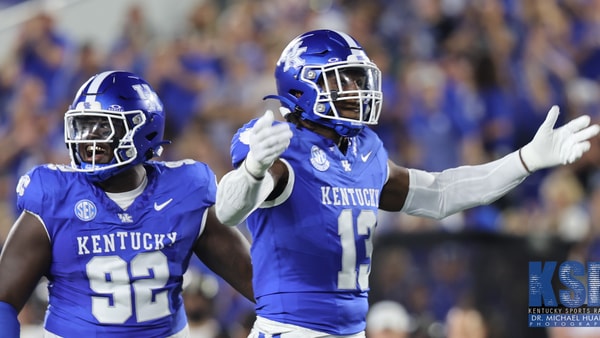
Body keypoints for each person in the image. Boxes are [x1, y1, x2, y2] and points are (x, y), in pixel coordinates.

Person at [214, 29, 600, 337]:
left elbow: (442, 193)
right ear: (303, 85)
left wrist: (525, 160)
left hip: (350, 330)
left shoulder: (365, 150)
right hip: (290, 330)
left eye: (357, 78)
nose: (356, 89)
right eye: (342, 80)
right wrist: (253, 170)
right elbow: (229, 210)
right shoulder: (280, 145)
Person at [0, 70, 254, 337]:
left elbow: (256, 280)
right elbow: (4, 298)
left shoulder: (184, 192)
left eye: (102, 127)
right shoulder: (55, 196)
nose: (88, 138)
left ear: (143, 129)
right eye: (83, 125)